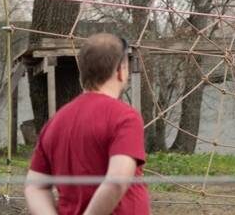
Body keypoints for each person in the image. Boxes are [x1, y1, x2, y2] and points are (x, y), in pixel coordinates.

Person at [25, 34, 150, 215]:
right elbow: (117, 180)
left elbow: (35, 187)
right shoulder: (124, 117)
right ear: (120, 71)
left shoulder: (56, 121)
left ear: (82, 71)